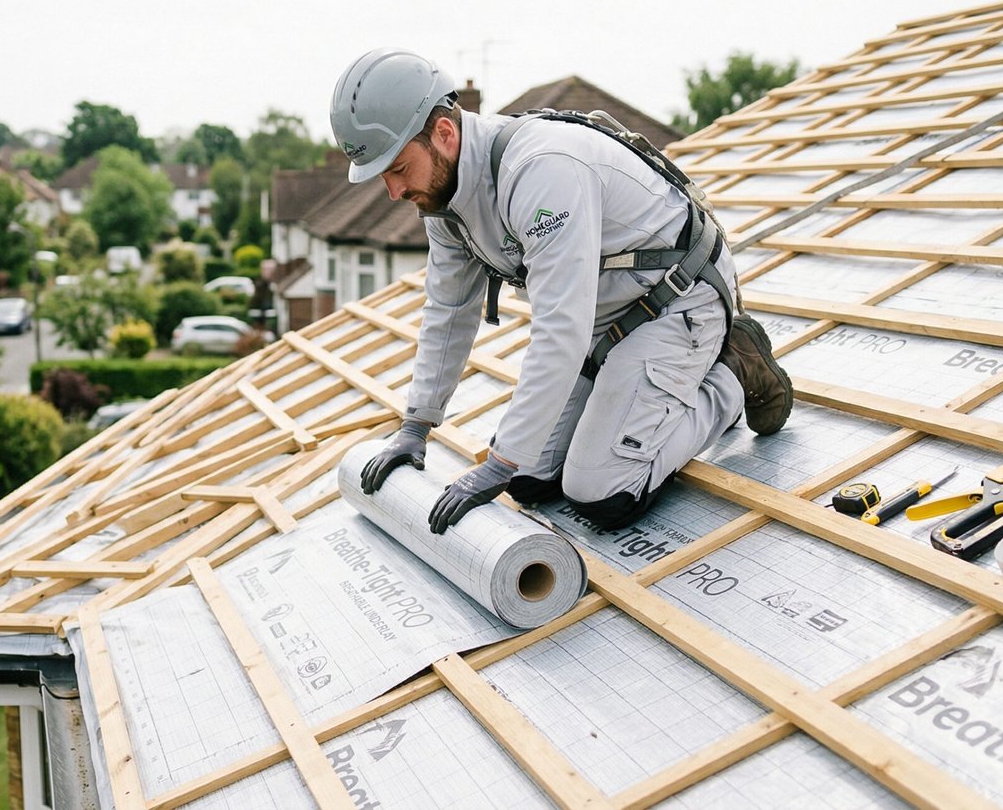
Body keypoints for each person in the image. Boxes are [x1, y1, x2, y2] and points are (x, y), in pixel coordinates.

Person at [335, 49, 792, 535]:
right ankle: (620, 393)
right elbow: (448, 310)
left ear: (444, 135)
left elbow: (559, 328)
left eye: (399, 169)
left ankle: (730, 373)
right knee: (528, 480)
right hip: (604, 315)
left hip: (675, 300)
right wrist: (415, 426)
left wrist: (499, 460)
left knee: (601, 491)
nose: (393, 191)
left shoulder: (542, 170)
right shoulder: (446, 202)